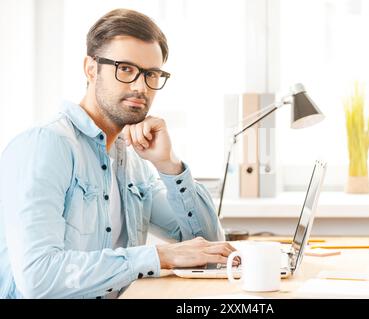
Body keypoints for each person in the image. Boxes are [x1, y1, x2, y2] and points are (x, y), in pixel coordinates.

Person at [0, 8, 235, 299]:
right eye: (125, 68)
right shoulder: (45, 145)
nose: (140, 86)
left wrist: (168, 164)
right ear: (90, 68)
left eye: (151, 74)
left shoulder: (132, 159)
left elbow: (209, 246)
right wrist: (158, 256)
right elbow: (38, 277)